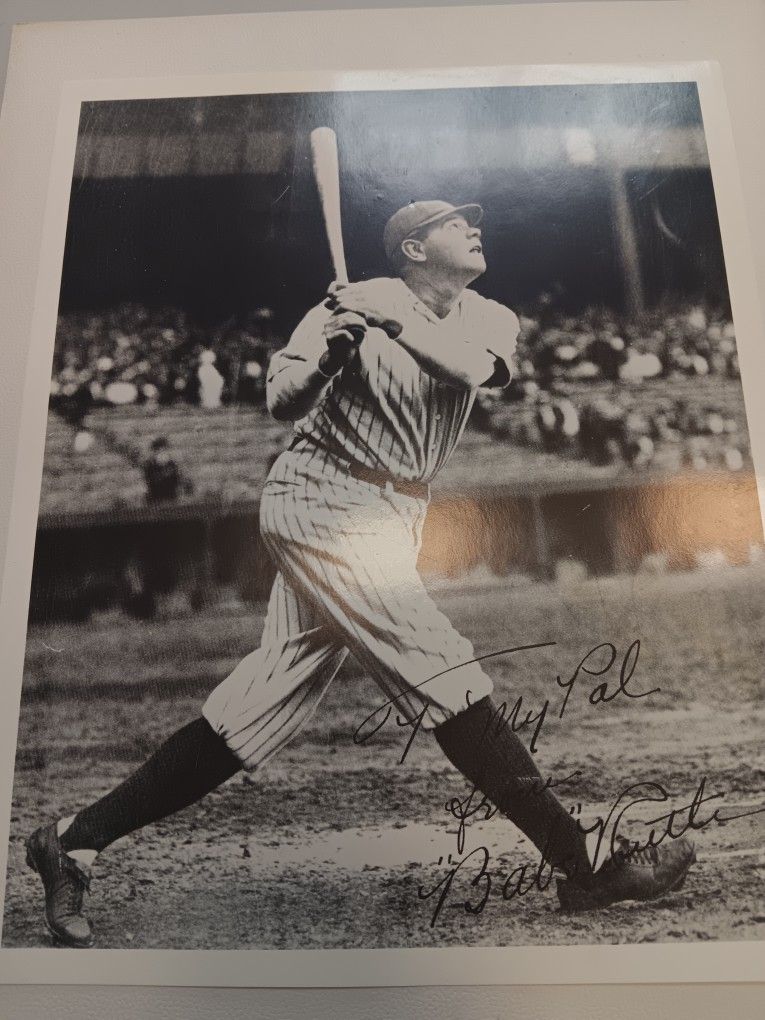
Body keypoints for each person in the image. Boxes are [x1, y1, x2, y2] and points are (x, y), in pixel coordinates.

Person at [25, 200, 695, 948]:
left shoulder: (487, 317)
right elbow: (283, 402)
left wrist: (391, 322)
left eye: (477, 218)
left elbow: (480, 372)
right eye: (455, 221)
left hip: (393, 511)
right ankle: (582, 863)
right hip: (321, 494)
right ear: (414, 246)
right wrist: (328, 361)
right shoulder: (339, 308)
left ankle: (73, 840)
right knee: (443, 671)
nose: (475, 225)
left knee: (257, 705)